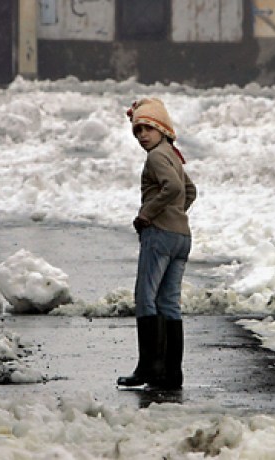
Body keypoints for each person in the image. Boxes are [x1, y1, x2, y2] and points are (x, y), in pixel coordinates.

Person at [117, 98, 196, 390]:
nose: (143, 135)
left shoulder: (155, 157)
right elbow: (189, 190)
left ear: (163, 127)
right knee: (169, 303)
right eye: (138, 131)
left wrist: (146, 214)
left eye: (148, 128)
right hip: (181, 237)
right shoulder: (173, 155)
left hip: (159, 235)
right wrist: (177, 213)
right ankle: (171, 374)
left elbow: (174, 188)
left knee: (145, 298)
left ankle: (148, 369)